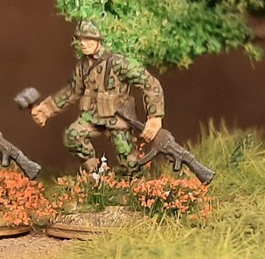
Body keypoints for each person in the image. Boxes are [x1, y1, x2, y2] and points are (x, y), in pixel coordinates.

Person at [30, 19, 165, 173]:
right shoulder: (82, 66)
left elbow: (150, 83)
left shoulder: (118, 63)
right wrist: (47, 109)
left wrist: (155, 117)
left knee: (130, 164)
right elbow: (72, 91)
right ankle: (96, 175)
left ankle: (134, 188)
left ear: (98, 40)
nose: (82, 43)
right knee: (72, 136)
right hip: (92, 117)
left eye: (87, 39)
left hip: (117, 119)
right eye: (80, 38)